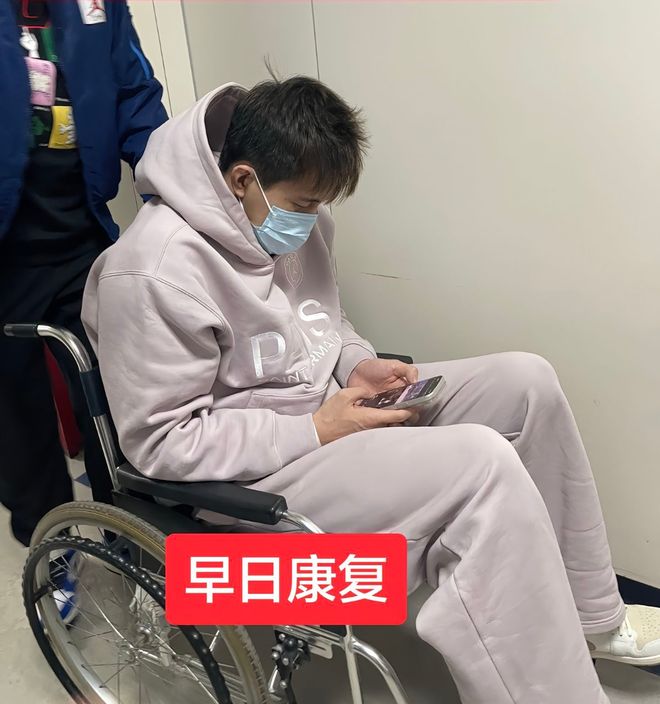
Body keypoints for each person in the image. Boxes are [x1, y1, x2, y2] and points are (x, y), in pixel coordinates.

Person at [82, 77, 660, 703]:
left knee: (527, 381)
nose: (313, 219)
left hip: (326, 421)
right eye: (305, 203)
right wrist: (316, 429)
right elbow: (161, 445)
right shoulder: (152, 271)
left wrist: (356, 364)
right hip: (246, 481)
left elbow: (322, 322)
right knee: (481, 465)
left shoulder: (290, 219)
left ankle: (591, 617)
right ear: (243, 179)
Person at [0, 0, 167, 554]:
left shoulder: (99, 7)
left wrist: (170, 183)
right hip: (6, 252)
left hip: (83, 234)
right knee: (16, 417)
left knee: (114, 397)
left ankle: (130, 535)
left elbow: (135, 95)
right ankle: (50, 544)